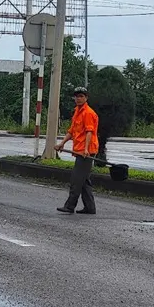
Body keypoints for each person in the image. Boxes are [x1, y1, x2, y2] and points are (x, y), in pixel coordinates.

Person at [55, 86, 99, 215]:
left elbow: (89, 132)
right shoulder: (77, 112)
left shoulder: (88, 113)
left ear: (86, 98)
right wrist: (61, 143)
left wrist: (86, 149)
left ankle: (70, 206)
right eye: (77, 96)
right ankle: (90, 208)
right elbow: (72, 131)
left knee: (76, 179)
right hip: (79, 150)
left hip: (86, 152)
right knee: (84, 181)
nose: (78, 99)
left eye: (81, 96)